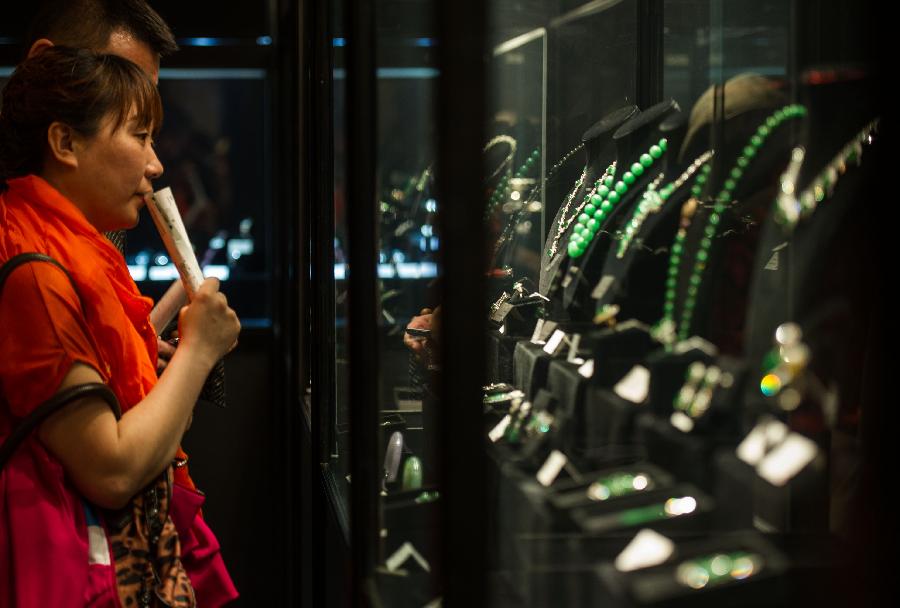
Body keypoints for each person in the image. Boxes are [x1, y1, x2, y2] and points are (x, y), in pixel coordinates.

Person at [0, 46, 240, 607]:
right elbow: (110, 469)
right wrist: (198, 350)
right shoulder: (35, 270)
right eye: (140, 136)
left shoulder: (63, 245)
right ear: (64, 144)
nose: (155, 164)